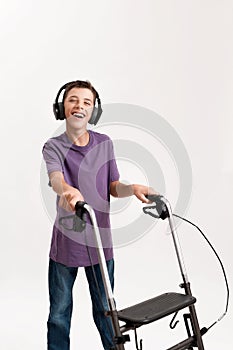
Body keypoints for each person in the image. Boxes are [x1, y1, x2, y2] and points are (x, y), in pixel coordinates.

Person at [42, 80, 156, 350]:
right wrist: (69, 191)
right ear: (62, 107)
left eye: (86, 102)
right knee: (59, 314)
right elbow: (55, 179)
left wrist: (133, 188)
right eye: (72, 100)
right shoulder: (53, 146)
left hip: (99, 246)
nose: (79, 106)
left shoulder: (104, 144)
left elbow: (113, 186)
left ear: (94, 110)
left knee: (107, 312)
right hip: (66, 247)